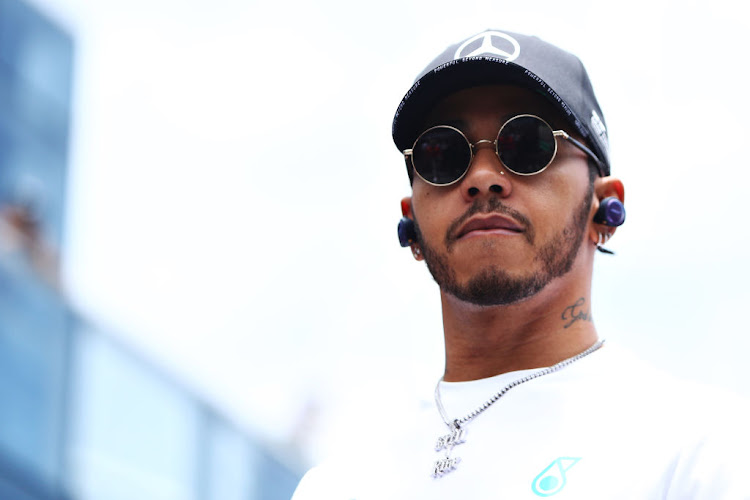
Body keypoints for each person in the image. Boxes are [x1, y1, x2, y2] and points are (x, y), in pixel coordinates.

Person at [291, 29, 750, 499]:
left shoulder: (701, 452)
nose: (483, 178)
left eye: (527, 143)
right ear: (412, 226)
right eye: (443, 155)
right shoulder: (337, 486)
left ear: (603, 206)